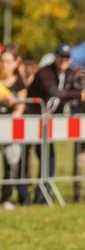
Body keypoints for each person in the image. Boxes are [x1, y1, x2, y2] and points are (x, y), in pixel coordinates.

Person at [27, 43, 82, 203]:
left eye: (66, 57)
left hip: (44, 125)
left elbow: (77, 89)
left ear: (70, 59)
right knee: (22, 159)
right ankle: (25, 196)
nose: (63, 60)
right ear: (56, 57)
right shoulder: (45, 72)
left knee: (48, 158)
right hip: (30, 120)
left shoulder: (71, 73)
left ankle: (41, 196)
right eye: (61, 56)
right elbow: (54, 92)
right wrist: (80, 95)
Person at [0, 44, 30, 210]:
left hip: (10, 128)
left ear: (16, 62)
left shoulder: (20, 83)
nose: (5, 64)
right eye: (3, 60)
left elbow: (20, 107)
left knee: (11, 163)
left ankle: (6, 197)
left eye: (8, 61)